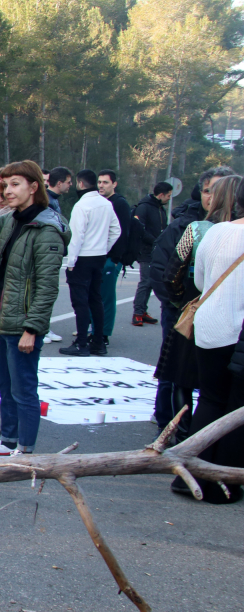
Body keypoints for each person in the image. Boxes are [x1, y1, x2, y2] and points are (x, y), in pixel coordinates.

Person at [0, 161, 69, 456]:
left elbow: (47, 287)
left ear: (34, 187)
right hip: (1, 314)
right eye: (5, 185)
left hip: (22, 322)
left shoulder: (46, 229)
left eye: (15, 185)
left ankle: (24, 450)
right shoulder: (14, 219)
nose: (7, 191)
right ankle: (7, 441)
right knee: (4, 385)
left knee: (23, 389)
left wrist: (32, 329)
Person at [148, 167, 235, 428]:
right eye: (209, 190)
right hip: (184, 314)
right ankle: (169, 428)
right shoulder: (188, 226)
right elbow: (165, 271)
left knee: (216, 387)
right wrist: (179, 305)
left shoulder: (219, 230)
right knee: (176, 378)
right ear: (202, 193)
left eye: (220, 190)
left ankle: (207, 438)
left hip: (226, 320)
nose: (214, 196)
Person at [178, 180, 244, 504]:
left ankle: (188, 474)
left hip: (207, 324)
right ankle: (224, 481)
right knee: (236, 408)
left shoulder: (215, 231)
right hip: (236, 328)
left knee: (210, 399)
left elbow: (199, 279)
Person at [59, 169, 119, 357]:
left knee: (80, 302)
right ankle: (98, 343)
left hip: (82, 258)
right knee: (95, 299)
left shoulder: (81, 205)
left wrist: (71, 261)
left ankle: (82, 343)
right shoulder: (106, 204)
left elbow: (76, 237)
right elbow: (116, 230)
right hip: (99, 256)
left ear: (80, 183)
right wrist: (103, 247)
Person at [94, 169, 133, 345]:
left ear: (114, 184)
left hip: (111, 259)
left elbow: (122, 232)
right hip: (97, 257)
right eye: (99, 182)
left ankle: (103, 334)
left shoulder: (119, 203)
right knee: (95, 296)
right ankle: (94, 328)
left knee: (106, 298)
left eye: (105, 182)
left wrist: (115, 259)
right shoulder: (99, 202)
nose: (101, 185)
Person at [131, 181, 171, 326]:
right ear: (161, 195)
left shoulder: (161, 209)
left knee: (151, 283)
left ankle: (143, 310)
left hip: (157, 250)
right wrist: (155, 241)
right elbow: (139, 229)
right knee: (146, 281)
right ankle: (137, 312)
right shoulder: (144, 207)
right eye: (168, 196)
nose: (169, 199)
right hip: (145, 250)